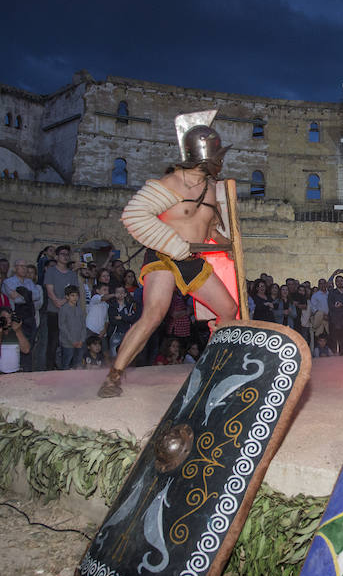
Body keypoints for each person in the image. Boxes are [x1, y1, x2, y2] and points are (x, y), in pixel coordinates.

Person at [98, 112, 238, 397]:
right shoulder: (172, 183)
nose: (220, 161)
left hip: (193, 261)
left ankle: (213, 369)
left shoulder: (211, 188)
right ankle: (114, 376)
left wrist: (228, 246)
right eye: (217, 155)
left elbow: (209, 228)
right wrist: (173, 245)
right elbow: (134, 215)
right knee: (154, 314)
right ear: (204, 155)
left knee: (228, 310)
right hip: (164, 256)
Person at [44, 245, 79, 370]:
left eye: (67, 254)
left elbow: (74, 292)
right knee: (53, 341)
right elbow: (49, 290)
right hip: (53, 312)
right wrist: (56, 301)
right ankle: (49, 368)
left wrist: (63, 301)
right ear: (56, 256)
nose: (65, 256)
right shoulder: (51, 271)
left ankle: (66, 367)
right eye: (62, 254)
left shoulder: (72, 274)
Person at [0, 308, 31, 374]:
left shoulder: (16, 331)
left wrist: (18, 331)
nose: (8, 321)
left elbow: (26, 350)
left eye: (10, 318)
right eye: (4, 318)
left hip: (15, 373)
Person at [58, 285, 85, 370]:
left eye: (77, 295)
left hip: (79, 342)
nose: (75, 298)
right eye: (72, 295)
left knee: (78, 364)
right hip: (67, 343)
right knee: (66, 364)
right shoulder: (64, 309)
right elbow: (62, 326)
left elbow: (83, 325)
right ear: (67, 297)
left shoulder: (80, 310)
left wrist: (82, 339)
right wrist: (72, 340)